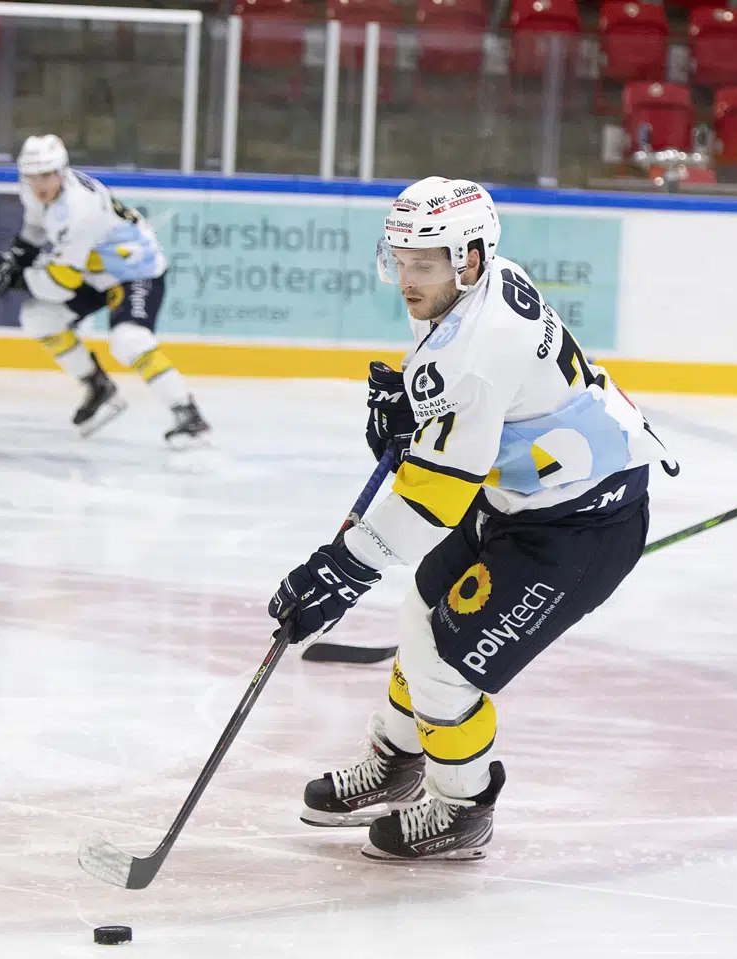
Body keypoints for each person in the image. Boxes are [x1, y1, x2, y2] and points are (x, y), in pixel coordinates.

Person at [267, 176, 673, 861]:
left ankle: (462, 805)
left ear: (471, 257)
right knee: (422, 611)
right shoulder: (475, 285)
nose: (406, 277)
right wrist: (419, 414)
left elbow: (433, 499)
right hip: (527, 495)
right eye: (398, 258)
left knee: (446, 669)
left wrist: (342, 569)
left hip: (579, 527)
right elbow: (473, 419)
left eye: (422, 263)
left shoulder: (479, 352)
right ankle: (399, 759)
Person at [0, 134, 210, 447]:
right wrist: (15, 260)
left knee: (130, 341)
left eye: (46, 175)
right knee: (39, 319)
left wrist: (16, 278)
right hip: (93, 269)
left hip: (133, 270)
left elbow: (60, 286)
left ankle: (188, 414)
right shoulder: (36, 191)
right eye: (32, 176)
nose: (39, 184)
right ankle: (99, 387)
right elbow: (34, 227)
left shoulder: (80, 210)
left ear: (62, 172)